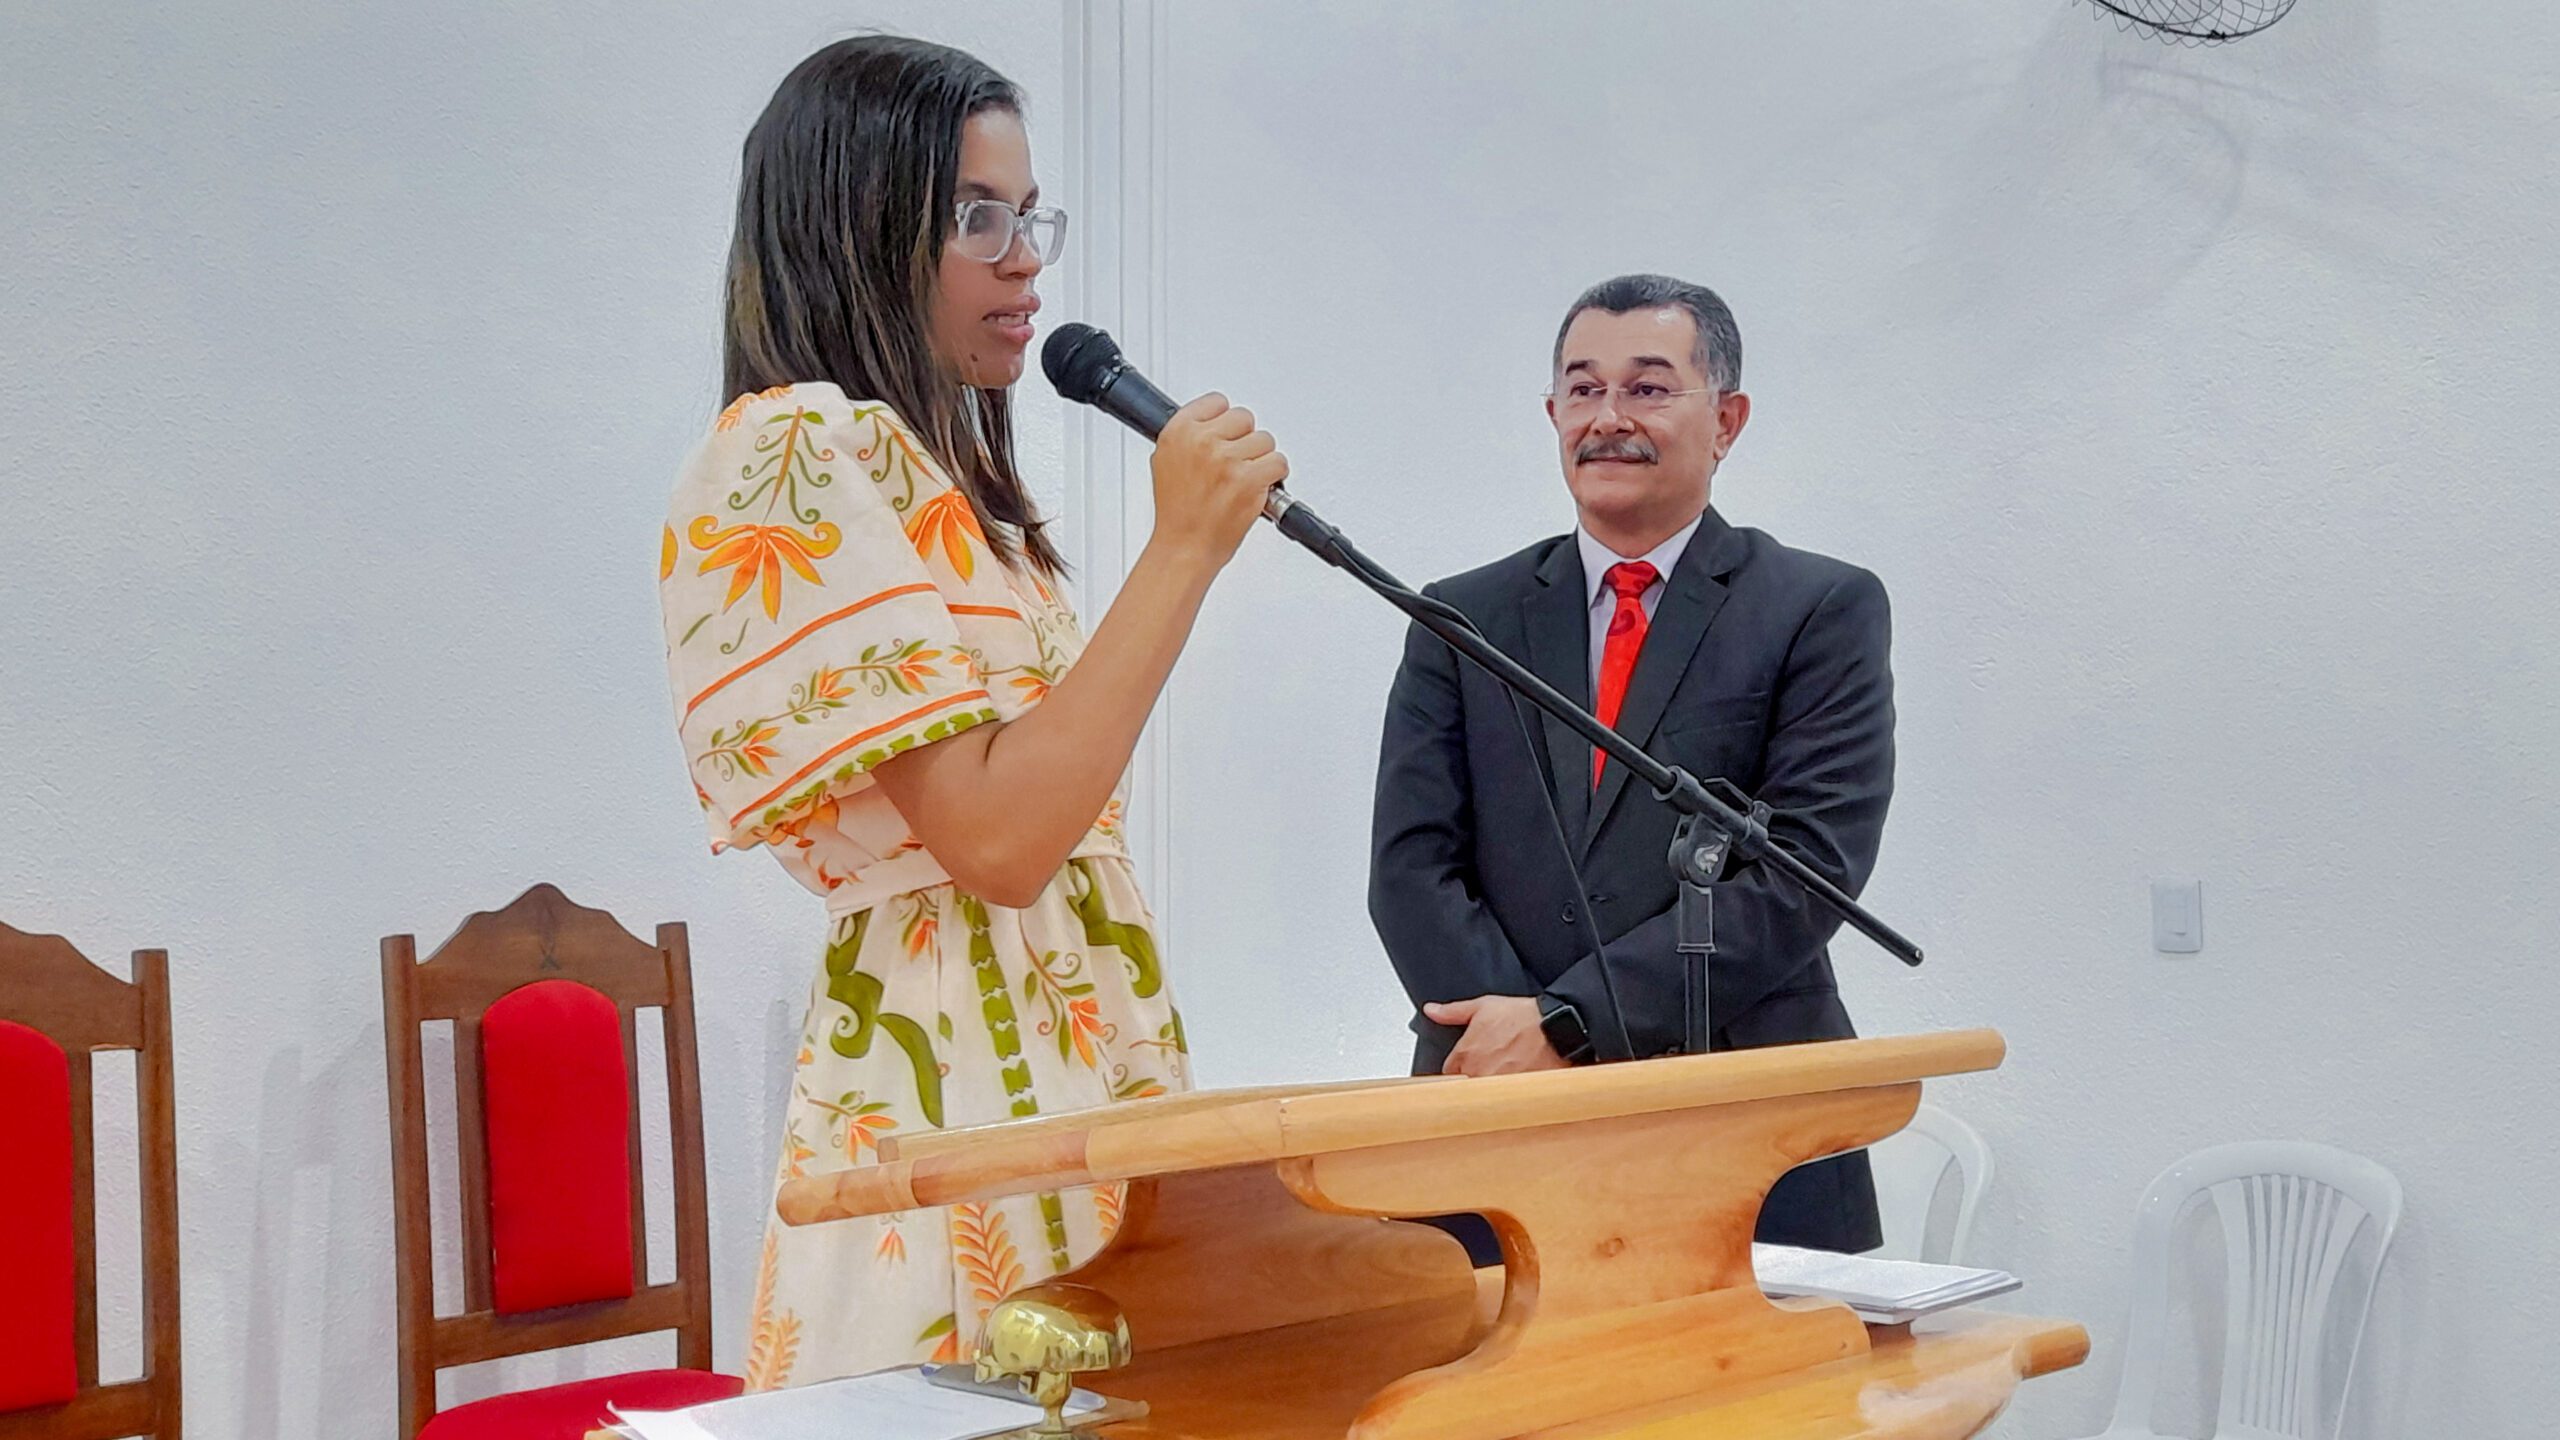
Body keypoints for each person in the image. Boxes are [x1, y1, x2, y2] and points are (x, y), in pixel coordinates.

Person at [659, 36, 1285, 1384]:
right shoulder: (791, 452)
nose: (1021, 257)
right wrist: (1181, 552)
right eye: (973, 216)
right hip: (952, 1070)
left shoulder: (954, 491)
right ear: (853, 223)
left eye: (1027, 214)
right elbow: (998, 846)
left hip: (1075, 1043)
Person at [1367, 273, 1890, 1253]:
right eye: (1582, 389)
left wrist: (1570, 1026)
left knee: (1750, 1408)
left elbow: (1804, 872)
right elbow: (1409, 869)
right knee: (1484, 1403)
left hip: (1740, 1109)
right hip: (1494, 1113)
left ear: (1726, 419)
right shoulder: (1461, 617)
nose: (1608, 418)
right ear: (1552, 413)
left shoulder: (1817, 609)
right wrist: (1515, 1038)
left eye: (1648, 388)